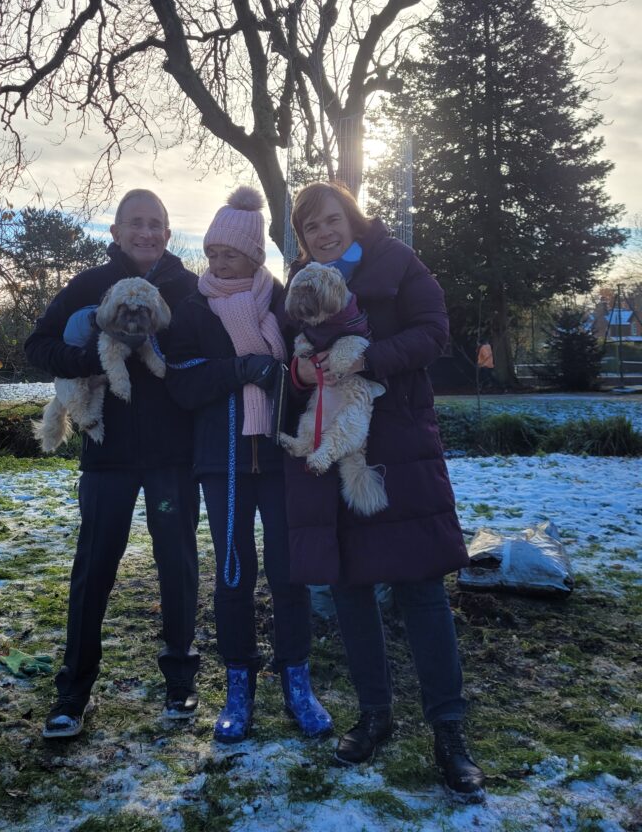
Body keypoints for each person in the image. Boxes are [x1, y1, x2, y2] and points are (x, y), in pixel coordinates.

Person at [283, 181, 485, 803]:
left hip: (399, 443)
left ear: (353, 217)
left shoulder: (397, 260)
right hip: (339, 443)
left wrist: (367, 360)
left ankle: (448, 731)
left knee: (421, 587)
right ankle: (375, 714)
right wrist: (299, 370)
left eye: (333, 219)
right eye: (311, 226)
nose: (324, 232)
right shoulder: (298, 284)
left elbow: (434, 332)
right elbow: (286, 360)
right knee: (349, 587)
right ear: (302, 236)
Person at [24, 189, 201, 738]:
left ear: (168, 235)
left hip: (173, 456)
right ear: (117, 232)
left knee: (178, 567)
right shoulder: (88, 286)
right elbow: (37, 346)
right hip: (107, 455)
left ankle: (180, 684)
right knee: (93, 569)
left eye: (157, 224)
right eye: (135, 224)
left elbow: (209, 358)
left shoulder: (189, 290)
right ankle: (72, 693)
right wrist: (89, 363)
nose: (147, 233)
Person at [165, 187, 332, 743]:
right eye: (211, 252)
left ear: (255, 256)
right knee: (234, 573)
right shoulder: (193, 308)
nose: (216, 261)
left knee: (290, 571)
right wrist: (240, 369)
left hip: (281, 456)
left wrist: (284, 375)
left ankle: (297, 680)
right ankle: (238, 684)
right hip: (222, 462)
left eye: (228, 253)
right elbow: (183, 383)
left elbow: (306, 370)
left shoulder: (283, 301)